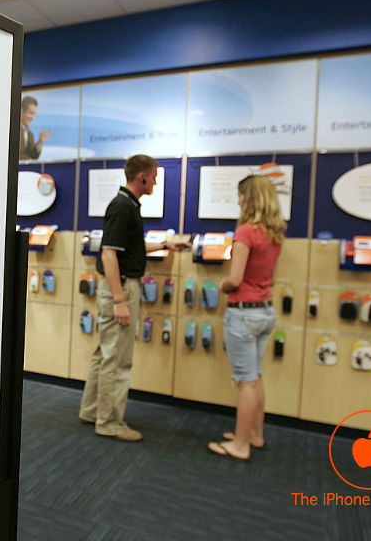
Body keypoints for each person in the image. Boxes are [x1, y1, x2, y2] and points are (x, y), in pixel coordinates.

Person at [79, 155, 185, 441]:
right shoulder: (122, 207)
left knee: (105, 353)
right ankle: (109, 421)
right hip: (121, 288)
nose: (155, 182)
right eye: (154, 177)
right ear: (142, 178)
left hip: (119, 287)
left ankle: (92, 410)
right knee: (118, 358)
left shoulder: (127, 205)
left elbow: (129, 248)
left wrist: (165, 244)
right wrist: (119, 300)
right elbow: (109, 253)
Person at [207, 175, 286, 461]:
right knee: (255, 377)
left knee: (245, 381)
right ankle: (255, 435)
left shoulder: (245, 233)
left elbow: (235, 279)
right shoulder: (274, 233)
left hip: (243, 314)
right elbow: (272, 279)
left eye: (240, 195)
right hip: (265, 311)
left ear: (249, 197)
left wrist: (221, 285)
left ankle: (240, 445)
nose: (237, 200)